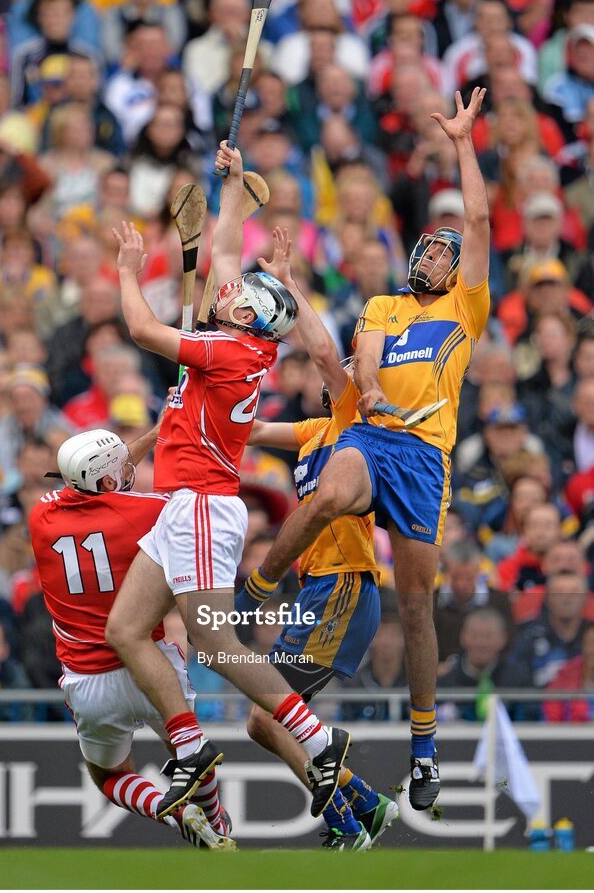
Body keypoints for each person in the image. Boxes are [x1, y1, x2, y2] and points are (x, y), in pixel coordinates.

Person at [259, 89, 491, 811]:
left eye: (445, 250)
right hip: (374, 437)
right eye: (427, 245)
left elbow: (479, 216)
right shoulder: (385, 306)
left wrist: (460, 142)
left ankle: (425, 751)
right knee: (331, 490)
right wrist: (373, 392)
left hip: (426, 458)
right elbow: (358, 358)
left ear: (458, 268)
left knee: (417, 608)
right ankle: (259, 589)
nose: (434, 253)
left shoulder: (465, 308)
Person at [105, 143, 350, 822]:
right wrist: (235, 188)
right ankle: (189, 745)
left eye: (238, 294)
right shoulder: (240, 341)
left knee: (214, 641)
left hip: (206, 510)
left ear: (249, 317)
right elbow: (221, 259)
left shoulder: (226, 350)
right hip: (179, 508)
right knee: (125, 628)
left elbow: (140, 327)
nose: (226, 287)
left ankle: (318, 738)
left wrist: (129, 270)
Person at [239, 226, 398, 850]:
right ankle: (362, 805)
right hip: (319, 590)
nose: (328, 369)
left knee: (265, 714)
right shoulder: (313, 429)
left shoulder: (355, 418)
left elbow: (329, 356)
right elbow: (247, 431)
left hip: (344, 586)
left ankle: (346, 821)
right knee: (262, 720)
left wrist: (288, 287)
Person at [29, 425, 234, 849]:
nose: (131, 467)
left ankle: (171, 809)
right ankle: (218, 819)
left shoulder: (42, 515)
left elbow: (101, 480)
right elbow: (187, 502)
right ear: (108, 479)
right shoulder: (149, 511)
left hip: (87, 680)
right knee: (188, 749)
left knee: (110, 777)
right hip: (149, 663)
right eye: (124, 466)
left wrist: (158, 431)